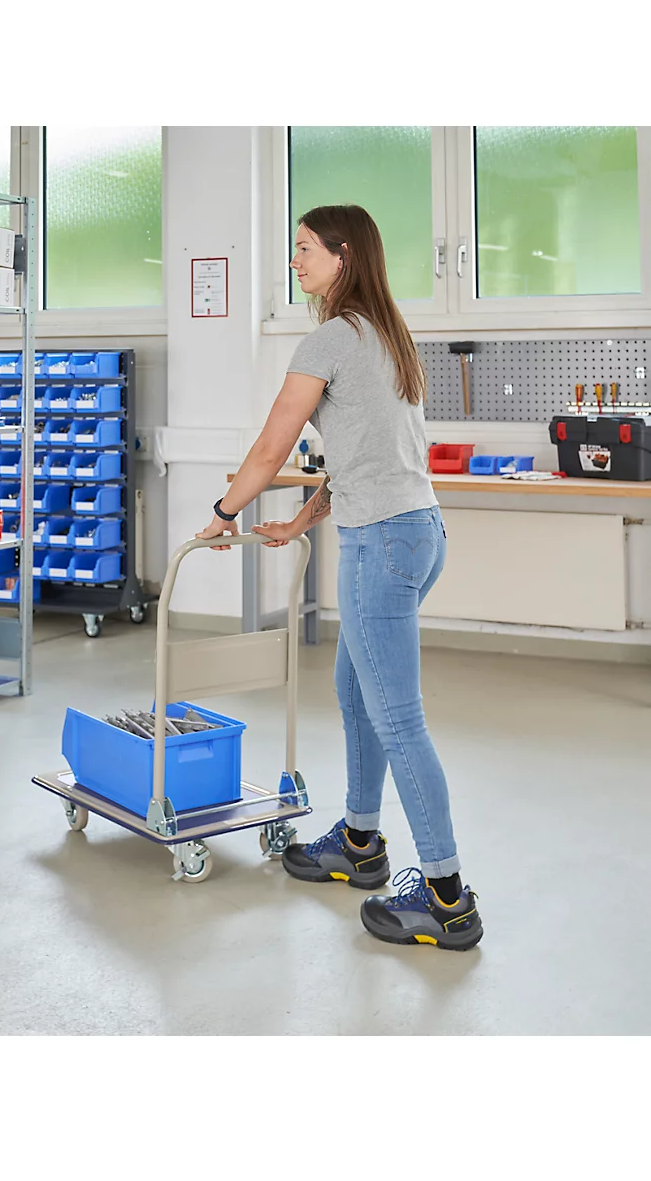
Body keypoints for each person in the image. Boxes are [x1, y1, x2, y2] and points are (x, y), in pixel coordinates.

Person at [195, 205, 482, 951]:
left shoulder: (330, 338)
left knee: (398, 719)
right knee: (356, 693)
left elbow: (272, 445)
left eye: (304, 249)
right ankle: (359, 843)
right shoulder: (386, 334)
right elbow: (363, 458)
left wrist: (223, 512)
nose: (295, 262)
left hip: (381, 543)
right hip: (416, 533)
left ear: (342, 255)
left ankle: (448, 899)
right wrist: (300, 521)